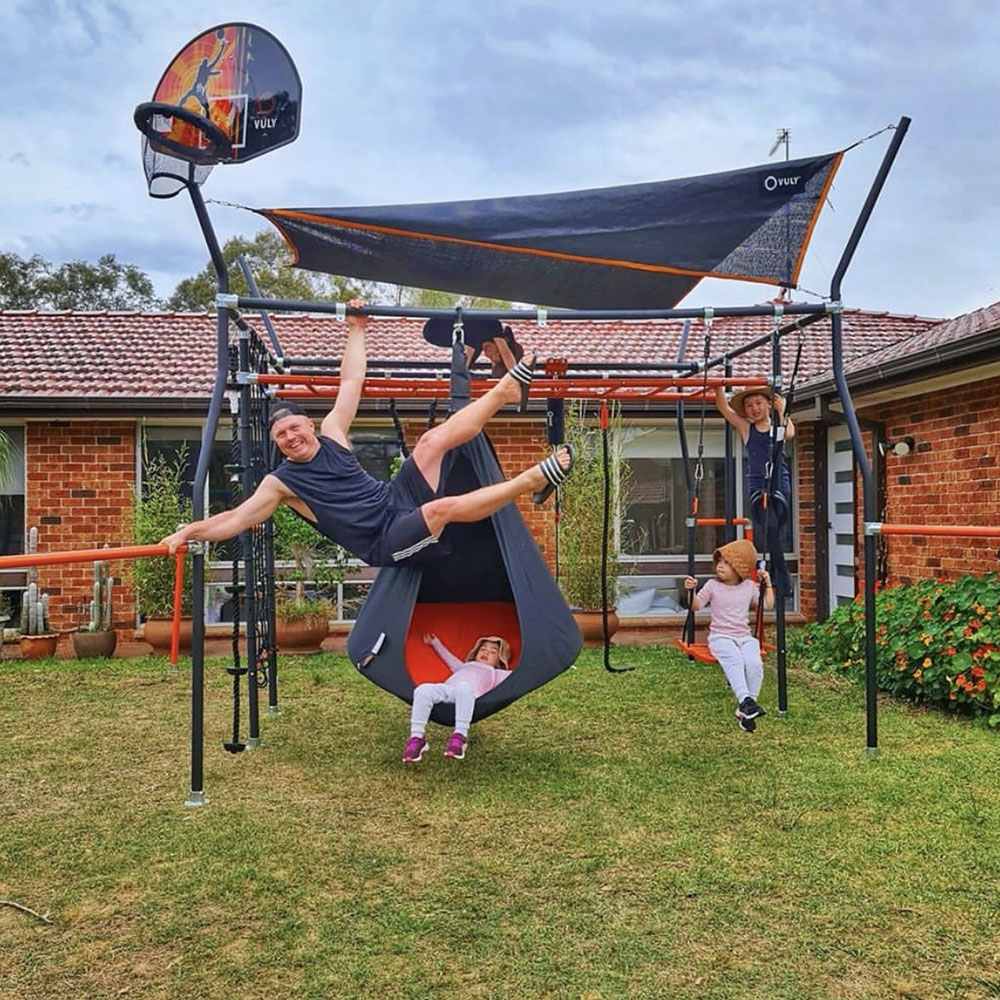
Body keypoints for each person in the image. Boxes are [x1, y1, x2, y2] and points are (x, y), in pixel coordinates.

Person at [160, 301, 573, 563]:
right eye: (280, 436)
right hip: (383, 539)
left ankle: (504, 390)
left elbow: (351, 382)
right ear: (277, 445)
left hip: (394, 498)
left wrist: (357, 327)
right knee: (439, 509)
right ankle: (530, 480)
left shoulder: (333, 432)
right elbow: (234, 519)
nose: (289, 437)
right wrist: (189, 531)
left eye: (293, 427)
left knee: (429, 442)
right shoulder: (279, 483)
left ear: (309, 425)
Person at [683, 538, 774, 733]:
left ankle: (748, 708)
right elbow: (696, 606)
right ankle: (745, 702)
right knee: (734, 660)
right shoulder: (712, 586)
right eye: (719, 562)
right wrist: (691, 591)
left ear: (739, 568)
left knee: (754, 663)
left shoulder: (749, 587)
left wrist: (768, 583)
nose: (720, 566)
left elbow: (766, 605)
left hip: (744, 637)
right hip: (720, 637)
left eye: (726, 563)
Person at [714, 384, 794, 599]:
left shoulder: (778, 426)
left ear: (768, 403)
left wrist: (782, 409)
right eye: (749, 405)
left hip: (779, 484)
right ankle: (781, 577)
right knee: (768, 529)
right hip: (758, 487)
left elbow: (790, 432)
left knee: (776, 530)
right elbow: (723, 408)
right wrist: (718, 386)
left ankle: (780, 576)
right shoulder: (746, 428)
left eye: (758, 403)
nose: (754, 409)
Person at [402, 633, 513, 762]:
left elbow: (518, 675)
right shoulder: (464, 666)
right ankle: (417, 737)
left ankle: (460, 736)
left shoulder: (497, 673)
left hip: (469, 696)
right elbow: (449, 658)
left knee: (463, 687)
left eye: (493, 652)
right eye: (483, 649)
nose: (486, 652)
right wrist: (435, 643)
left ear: (500, 660)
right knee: (423, 689)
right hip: (448, 690)